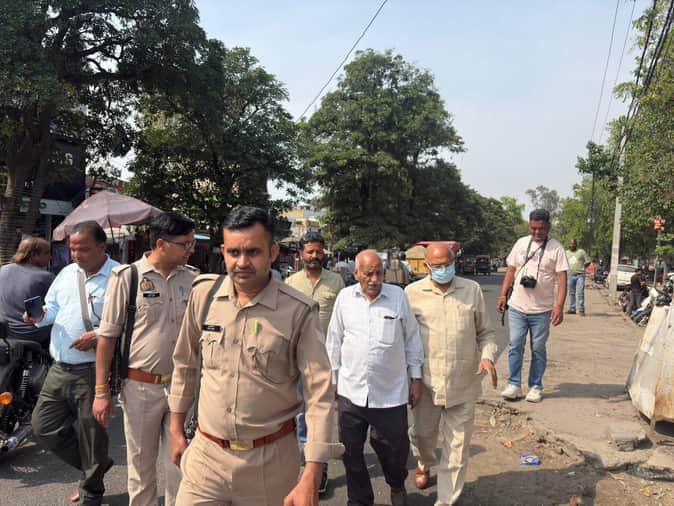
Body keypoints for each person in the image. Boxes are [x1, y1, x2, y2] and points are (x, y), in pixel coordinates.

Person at [168, 206, 342, 506]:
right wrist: (175, 428)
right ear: (223, 251)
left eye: (253, 252)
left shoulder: (298, 311)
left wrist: (312, 472)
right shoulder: (204, 295)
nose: (242, 262)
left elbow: (319, 395)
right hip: (206, 456)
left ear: (272, 252)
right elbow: (185, 363)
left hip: (270, 464)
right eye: (233, 252)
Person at [92, 212, 197, 506]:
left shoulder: (193, 278)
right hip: (140, 388)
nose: (191, 249)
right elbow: (107, 337)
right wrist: (101, 392)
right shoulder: (129, 278)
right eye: (185, 243)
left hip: (182, 387)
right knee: (141, 468)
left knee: (182, 463)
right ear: (161, 244)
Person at [27, 221, 119, 505]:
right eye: (72, 249)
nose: (76, 255)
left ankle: (91, 492)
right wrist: (39, 316)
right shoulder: (67, 273)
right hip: (60, 366)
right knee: (42, 426)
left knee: (92, 434)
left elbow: (133, 321)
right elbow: (53, 307)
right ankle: (95, 466)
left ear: (101, 247)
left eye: (83, 249)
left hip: (93, 370)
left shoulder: (119, 276)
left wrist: (100, 334)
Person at [326, 249, 424, 506]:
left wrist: (416, 379)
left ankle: (396, 484)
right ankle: (359, 500)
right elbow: (334, 339)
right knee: (351, 451)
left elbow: (412, 338)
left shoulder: (397, 296)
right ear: (356, 273)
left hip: (390, 392)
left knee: (394, 449)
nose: (374, 279)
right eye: (368, 274)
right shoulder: (345, 298)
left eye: (379, 273)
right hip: (351, 391)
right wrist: (333, 378)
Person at [405, 243, 497, 506]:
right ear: (427, 266)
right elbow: (405, 338)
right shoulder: (411, 293)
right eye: (438, 266)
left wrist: (487, 356)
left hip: (463, 382)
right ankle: (424, 462)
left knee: (457, 450)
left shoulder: (472, 290)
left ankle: (445, 501)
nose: (444, 269)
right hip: (426, 383)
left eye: (448, 264)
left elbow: (486, 333)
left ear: (455, 261)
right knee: (423, 436)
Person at [285, 231, 345, 495]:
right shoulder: (290, 282)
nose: (314, 255)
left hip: (327, 360)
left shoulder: (337, 281)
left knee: (322, 412)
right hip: (297, 359)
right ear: (301, 254)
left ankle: (320, 467)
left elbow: (344, 320)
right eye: (310, 251)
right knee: (299, 413)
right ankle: (304, 460)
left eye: (319, 251)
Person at [496, 209, 568, 403]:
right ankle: (514, 384)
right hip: (517, 307)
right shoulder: (520, 243)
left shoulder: (556, 249)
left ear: (548, 227)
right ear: (529, 225)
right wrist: (503, 294)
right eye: (533, 228)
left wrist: (559, 306)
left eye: (541, 229)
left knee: (538, 348)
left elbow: (562, 280)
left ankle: (536, 386)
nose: (537, 232)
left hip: (541, 310)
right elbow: (511, 270)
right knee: (515, 344)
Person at [0, 237, 54, 344]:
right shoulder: (46, 277)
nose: (50, 257)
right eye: (47, 253)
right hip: (33, 334)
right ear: (33, 255)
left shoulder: (3, 270)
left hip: (4, 332)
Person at [565, 239, 588, 316]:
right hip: (570, 275)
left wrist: (583, 268)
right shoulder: (566, 253)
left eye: (573, 244)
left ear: (576, 244)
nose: (572, 245)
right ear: (569, 244)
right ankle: (572, 309)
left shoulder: (581, 252)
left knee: (580, 292)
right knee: (571, 293)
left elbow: (588, 261)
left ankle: (581, 310)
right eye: (570, 244)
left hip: (580, 275)